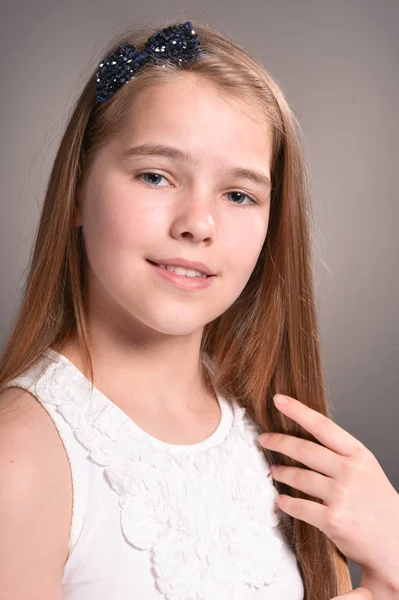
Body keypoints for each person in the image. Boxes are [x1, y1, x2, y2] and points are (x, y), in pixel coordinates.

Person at [0, 18, 397, 600]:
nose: (198, 224)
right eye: (156, 176)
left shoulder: (273, 436)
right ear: (78, 189)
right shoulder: (22, 464)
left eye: (238, 194)